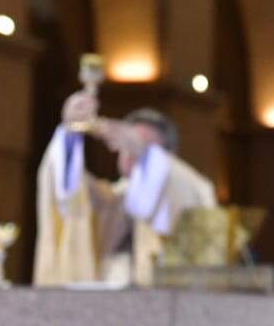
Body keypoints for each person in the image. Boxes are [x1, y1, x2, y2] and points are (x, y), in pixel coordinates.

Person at [33, 92, 218, 286]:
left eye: (143, 145)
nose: (131, 151)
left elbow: (195, 195)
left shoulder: (187, 187)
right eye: (127, 142)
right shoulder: (111, 198)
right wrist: (71, 132)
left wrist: (146, 155)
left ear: (167, 156)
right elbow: (68, 196)